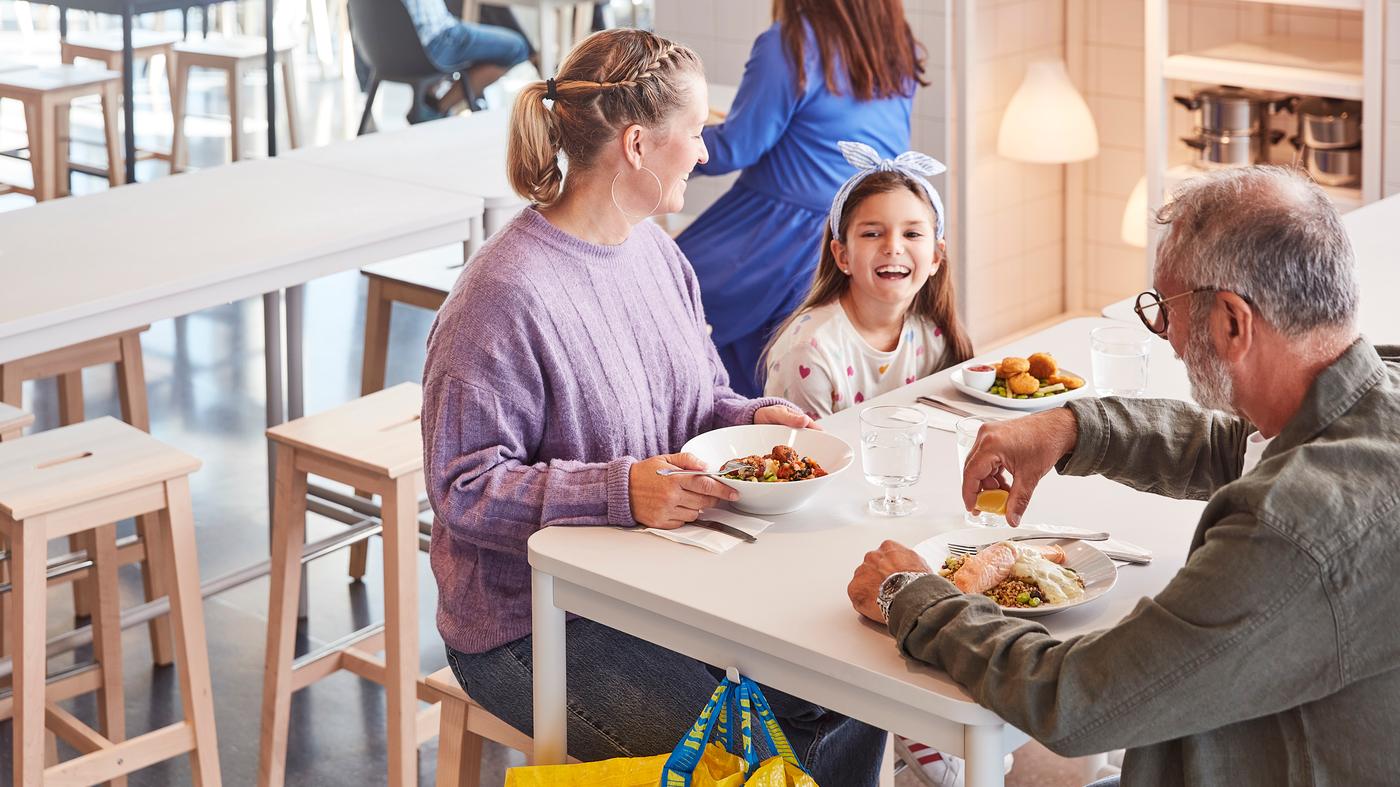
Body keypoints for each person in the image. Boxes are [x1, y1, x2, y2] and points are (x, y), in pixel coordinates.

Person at [423, 28, 886, 783]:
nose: (707, 152)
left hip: (658, 584)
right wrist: (620, 489)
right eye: (696, 132)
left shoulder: (657, 252)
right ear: (637, 145)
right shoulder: (501, 297)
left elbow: (697, 399)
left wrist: (750, 418)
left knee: (859, 690)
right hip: (531, 627)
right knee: (750, 764)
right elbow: (462, 488)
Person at [846, 166, 1400, 785]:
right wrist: (1073, 427)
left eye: (1166, 311)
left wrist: (914, 598)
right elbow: (1238, 448)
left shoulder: (1292, 527)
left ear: (1233, 322)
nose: (1167, 338)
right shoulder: (1374, 398)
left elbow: (1078, 699)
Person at [675, 0, 924, 397]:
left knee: (663, 287)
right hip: (859, 230)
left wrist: (660, 144)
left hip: (781, 233)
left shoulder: (788, 44)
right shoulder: (896, 42)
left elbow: (738, 146)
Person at [763, 141, 972, 420]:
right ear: (843, 255)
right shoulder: (807, 352)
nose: (893, 247)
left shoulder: (934, 335)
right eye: (872, 234)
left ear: (936, 256)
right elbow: (804, 456)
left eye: (911, 234)